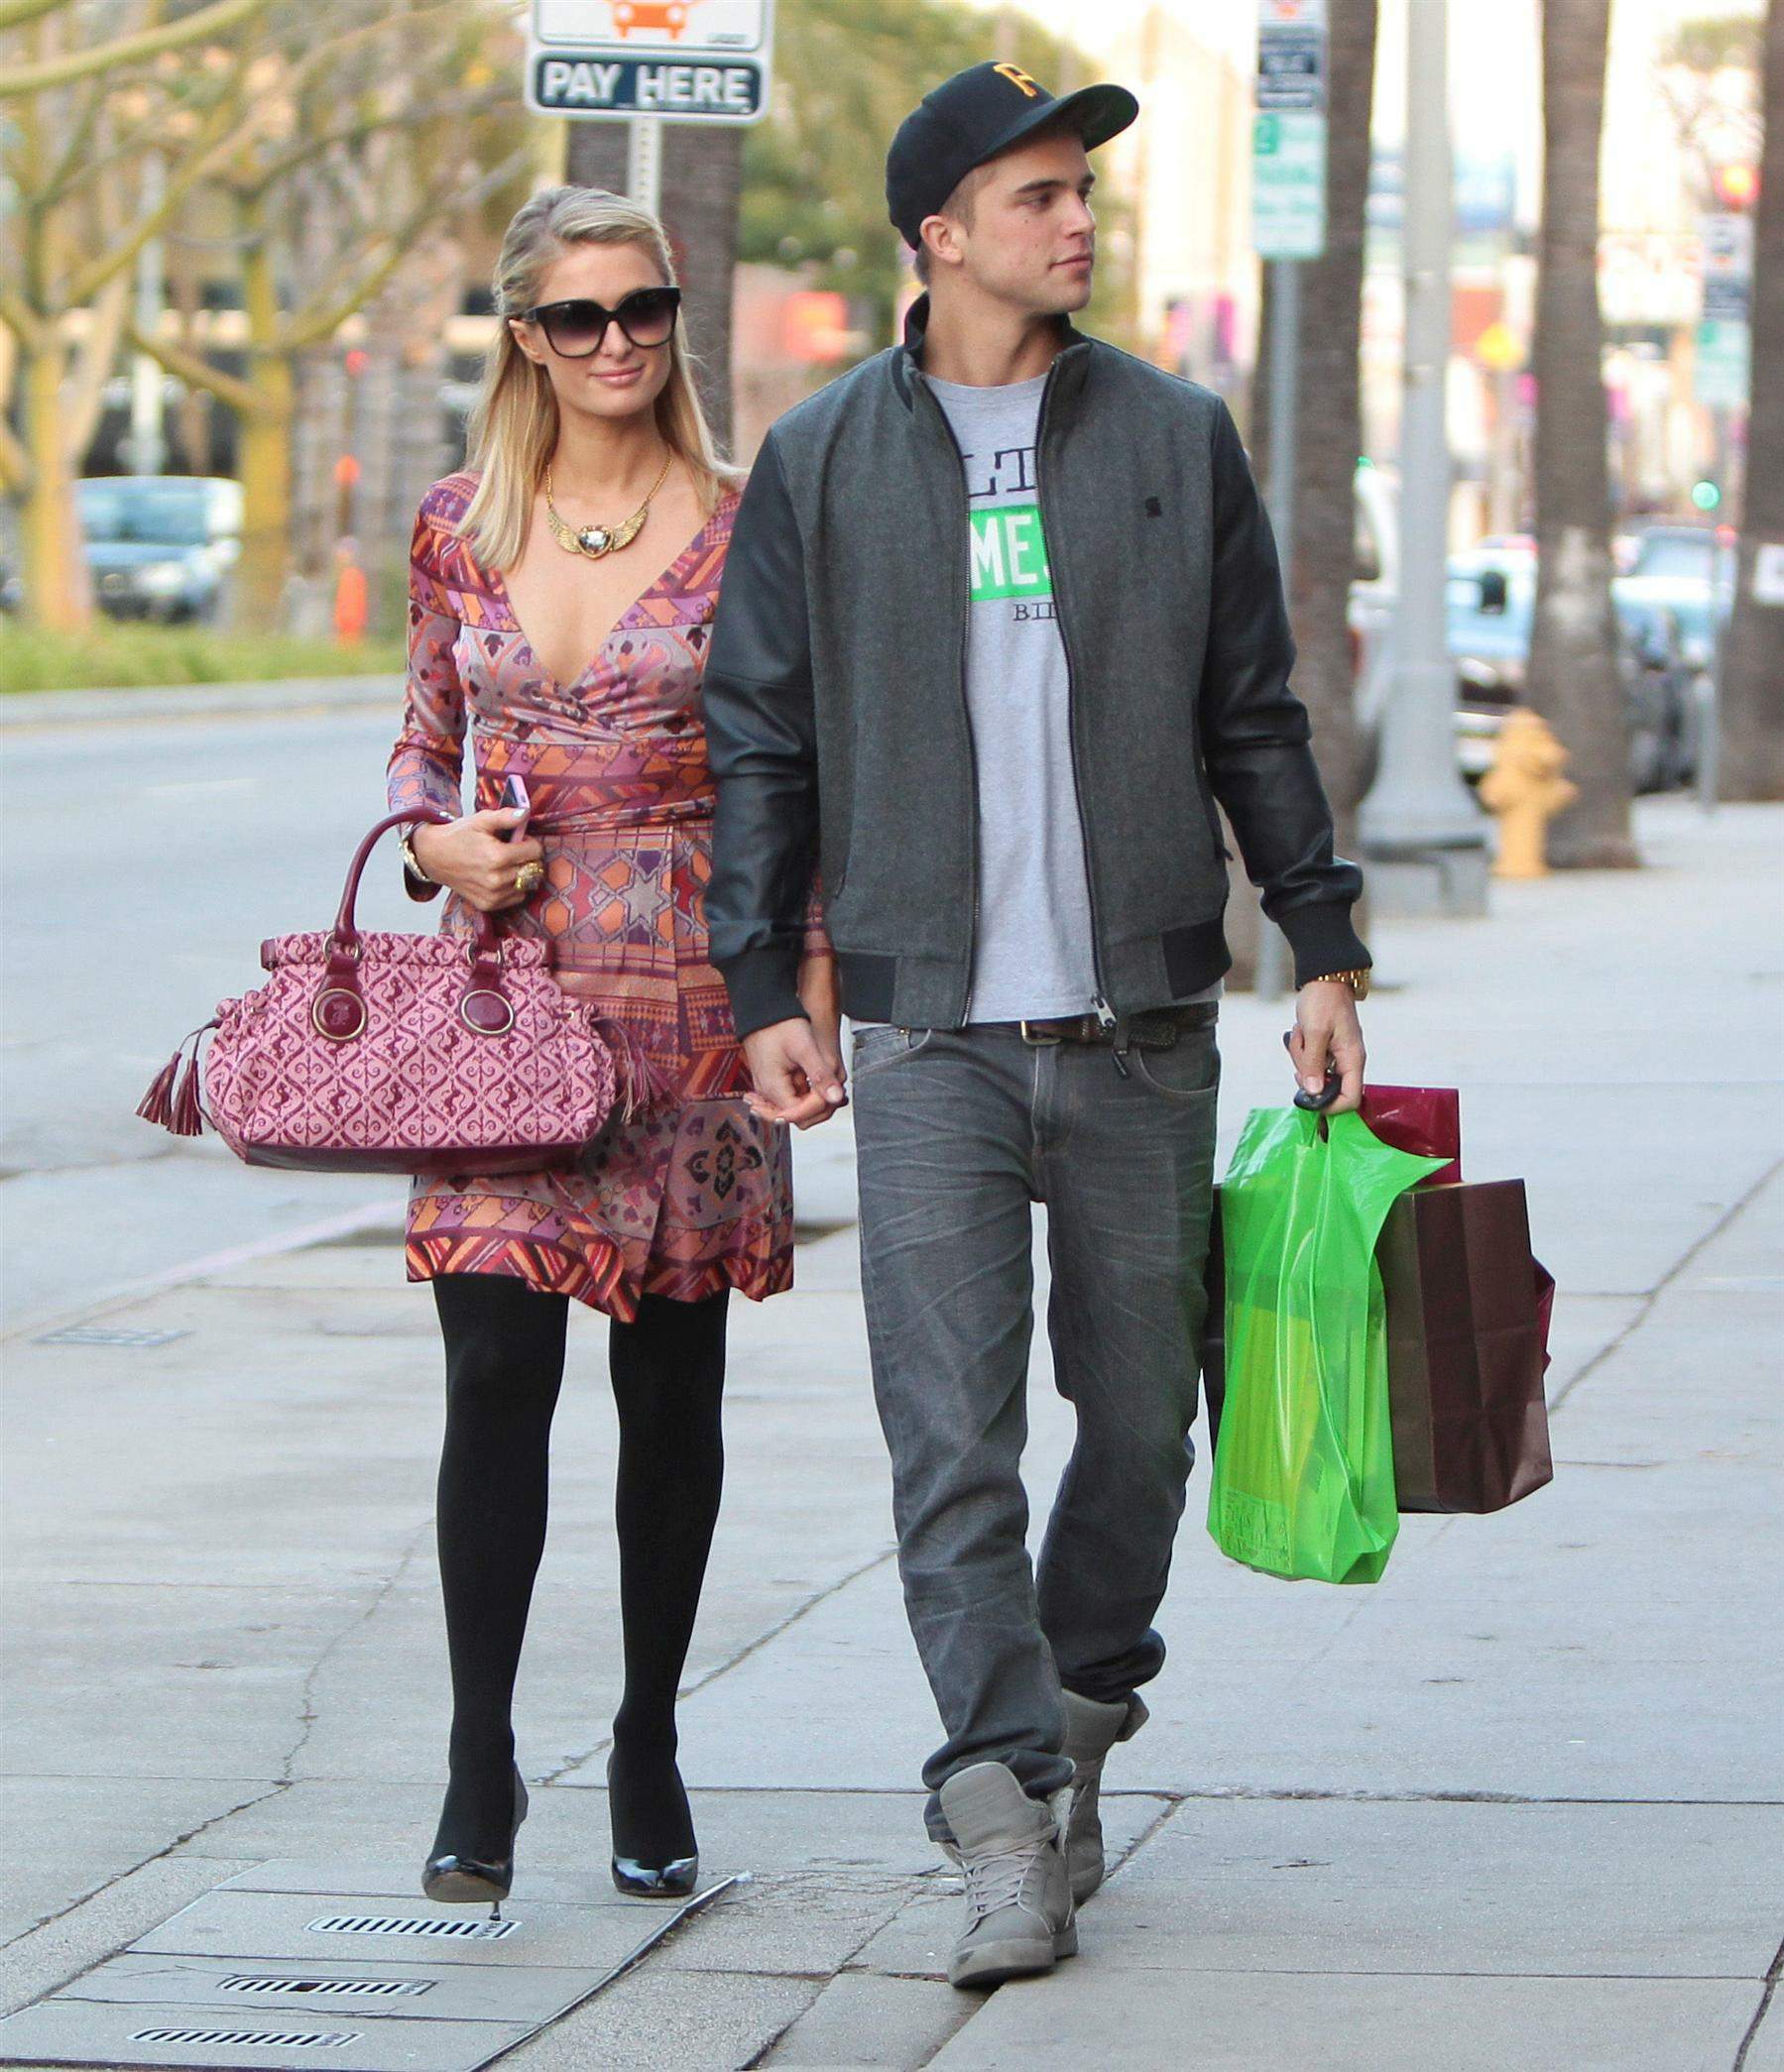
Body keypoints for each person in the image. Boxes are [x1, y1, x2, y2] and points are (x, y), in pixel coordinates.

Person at [703, 62, 1369, 1988]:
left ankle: (1079, 1707)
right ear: (939, 232)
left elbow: (1256, 709)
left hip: (1142, 1020)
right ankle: (997, 1807)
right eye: (1036, 195)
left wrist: (1319, 942)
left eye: (1082, 190)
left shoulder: (1172, 435)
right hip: (925, 1038)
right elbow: (760, 734)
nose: (1076, 220)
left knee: (1146, 1422)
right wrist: (766, 985)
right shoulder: (823, 461)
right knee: (951, 1441)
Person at [387, 185, 834, 1909]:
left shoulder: (743, 521)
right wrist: (438, 849)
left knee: (670, 1383)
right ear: (523, 337)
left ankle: (648, 1735)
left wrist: (805, 992)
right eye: (578, 318)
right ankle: (479, 1750)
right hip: (503, 984)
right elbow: (423, 748)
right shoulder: (455, 525)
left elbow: (794, 779)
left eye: (642, 309)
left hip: (696, 982)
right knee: (492, 1370)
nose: (618, 343)